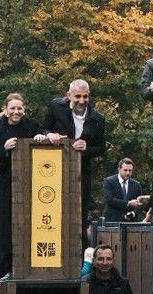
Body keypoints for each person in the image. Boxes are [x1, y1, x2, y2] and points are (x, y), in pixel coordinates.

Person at [0, 93, 58, 272]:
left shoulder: (32, 125)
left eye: (19, 108)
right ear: (6, 110)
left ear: (24, 109)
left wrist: (40, 138)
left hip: (30, 179)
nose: (16, 112)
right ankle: (8, 265)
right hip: (5, 180)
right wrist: (4, 148)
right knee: (6, 223)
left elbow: (44, 136)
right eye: (12, 108)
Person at [43, 80, 109, 229]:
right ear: (69, 95)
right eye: (77, 96)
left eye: (85, 96)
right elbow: (42, 128)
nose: (82, 101)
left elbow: (101, 148)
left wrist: (86, 148)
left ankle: (81, 242)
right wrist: (50, 135)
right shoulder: (56, 107)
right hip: (55, 167)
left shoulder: (97, 119)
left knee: (79, 212)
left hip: (81, 171)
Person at [102, 158, 148, 223]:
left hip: (130, 222)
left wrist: (133, 213)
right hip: (112, 221)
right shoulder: (109, 181)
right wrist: (128, 203)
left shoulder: (136, 185)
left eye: (130, 170)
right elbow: (109, 199)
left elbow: (140, 204)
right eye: (125, 170)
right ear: (119, 169)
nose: (128, 173)